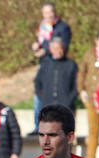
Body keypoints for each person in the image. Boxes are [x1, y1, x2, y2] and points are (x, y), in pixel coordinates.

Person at [30, 2, 71, 133]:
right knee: (38, 92)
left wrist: (45, 51)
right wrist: (36, 47)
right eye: (46, 12)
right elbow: (43, 43)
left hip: (56, 65)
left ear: (55, 12)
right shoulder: (42, 27)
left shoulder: (63, 27)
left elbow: (61, 45)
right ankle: (38, 125)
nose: (48, 15)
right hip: (44, 64)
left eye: (50, 12)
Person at [78, 32, 99, 158]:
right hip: (91, 99)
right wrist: (81, 90)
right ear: (97, 42)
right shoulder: (89, 55)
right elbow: (82, 73)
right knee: (93, 132)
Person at [34, 39, 78, 113]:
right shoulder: (45, 64)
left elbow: (77, 85)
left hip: (66, 107)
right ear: (51, 50)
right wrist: (42, 97)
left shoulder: (71, 65)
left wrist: (69, 99)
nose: (59, 51)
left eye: (61, 48)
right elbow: (37, 82)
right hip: (47, 106)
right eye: (56, 49)